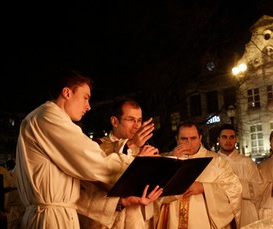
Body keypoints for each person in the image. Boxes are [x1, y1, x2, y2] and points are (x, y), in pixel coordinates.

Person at [13, 69, 160, 228]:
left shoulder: (50, 119)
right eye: (85, 98)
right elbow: (94, 162)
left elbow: (81, 180)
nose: (88, 106)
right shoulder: (48, 117)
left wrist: (124, 199)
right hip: (51, 218)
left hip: (59, 214)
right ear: (67, 93)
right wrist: (136, 164)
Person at [78, 98, 161, 229]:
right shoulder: (97, 146)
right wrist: (131, 147)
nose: (137, 126)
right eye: (131, 119)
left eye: (139, 120)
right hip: (108, 222)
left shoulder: (145, 148)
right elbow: (101, 184)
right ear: (115, 121)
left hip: (139, 219)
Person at [154, 121, 243, 229]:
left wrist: (204, 187)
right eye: (184, 139)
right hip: (173, 221)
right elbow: (154, 193)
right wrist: (172, 161)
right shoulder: (166, 160)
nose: (189, 143)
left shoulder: (217, 161)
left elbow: (234, 190)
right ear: (177, 139)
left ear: (200, 138)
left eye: (193, 138)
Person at [216, 123, 264, 227]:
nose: (228, 141)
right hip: (220, 212)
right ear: (218, 139)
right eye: (224, 137)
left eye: (231, 137)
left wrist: (234, 185)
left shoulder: (247, 162)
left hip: (245, 210)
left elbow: (259, 188)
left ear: (236, 139)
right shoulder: (213, 162)